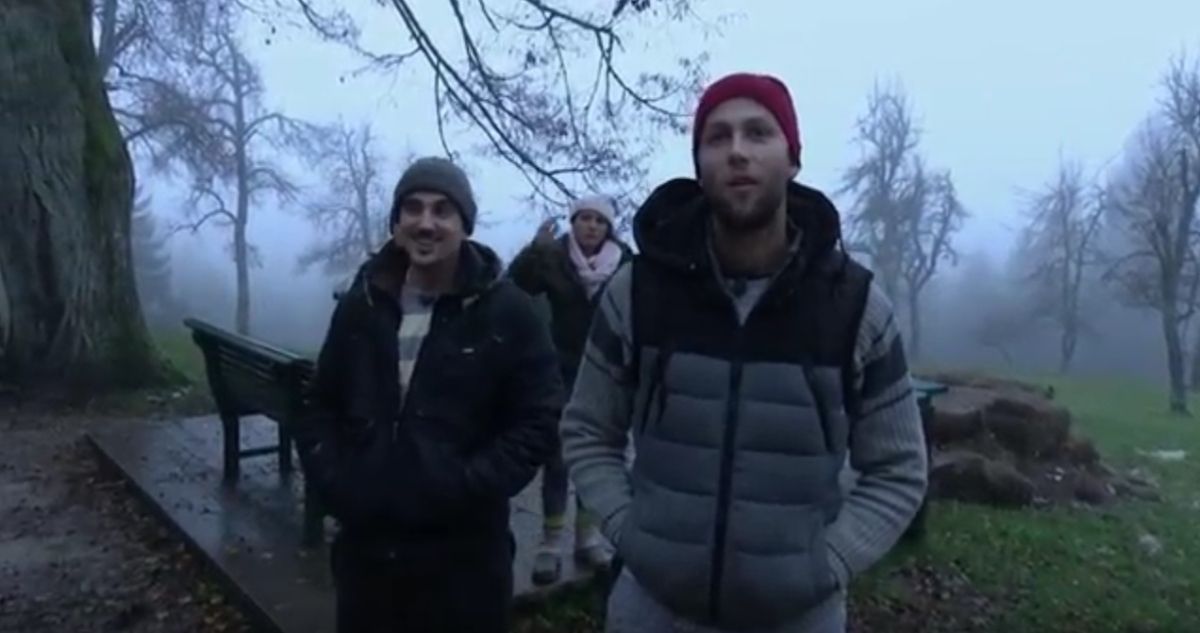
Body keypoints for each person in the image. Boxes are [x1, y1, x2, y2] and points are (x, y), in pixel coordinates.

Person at [561, 73, 928, 632]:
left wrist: (826, 564)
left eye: (758, 133)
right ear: (698, 163)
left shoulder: (854, 306)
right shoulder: (637, 292)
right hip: (650, 613)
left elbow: (899, 468)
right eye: (718, 137)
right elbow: (587, 428)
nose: (737, 151)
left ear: (793, 159)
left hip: (798, 619)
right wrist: (630, 533)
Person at [296, 156, 563, 633]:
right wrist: (337, 482)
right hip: (367, 559)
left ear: (465, 225)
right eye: (413, 208)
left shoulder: (507, 313)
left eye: (442, 210)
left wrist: (465, 485)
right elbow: (321, 400)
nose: (425, 223)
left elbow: (538, 420)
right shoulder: (363, 303)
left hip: (465, 564)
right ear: (396, 222)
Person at [507, 194, 634, 585]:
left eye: (600, 220)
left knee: (600, 453)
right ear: (573, 222)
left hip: (607, 370)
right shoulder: (554, 257)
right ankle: (550, 543)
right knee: (558, 456)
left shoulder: (625, 263)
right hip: (559, 367)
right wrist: (534, 251)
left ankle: (587, 538)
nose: (591, 226)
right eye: (584, 218)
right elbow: (515, 285)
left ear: (609, 228)